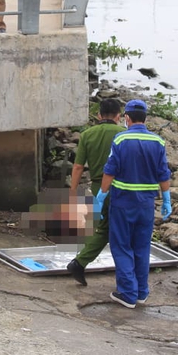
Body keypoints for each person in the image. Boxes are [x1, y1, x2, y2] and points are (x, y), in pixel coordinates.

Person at [96, 100, 171, 308]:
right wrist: (166, 198)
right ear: (145, 118)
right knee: (142, 246)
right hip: (146, 204)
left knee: (121, 246)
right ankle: (141, 292)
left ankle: (128, 293)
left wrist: (101, 195)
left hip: (123, 202)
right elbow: (163, 173)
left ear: (127, 118)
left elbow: (110, 170)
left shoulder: (121, 139)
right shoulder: (158, 142)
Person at [66, 98, 124, 286]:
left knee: (107, 226)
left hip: (99, 186)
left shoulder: (88, 135)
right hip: (121, 187)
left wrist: (73, 191)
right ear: (118, 116)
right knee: (115, 227)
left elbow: (78, 167)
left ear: (99, 115)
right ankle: (81, 262)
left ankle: (81, 262)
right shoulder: (123, 134)